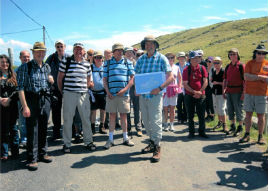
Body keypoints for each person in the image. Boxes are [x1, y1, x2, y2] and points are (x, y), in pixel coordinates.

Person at [135, 35, 173, 162]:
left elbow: (170, 77)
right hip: (143, 95)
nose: (148, 46)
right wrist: (137, 88)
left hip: (156, 96)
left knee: (155, 121)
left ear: (155, 45)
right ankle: (151, 142)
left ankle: (157, 146)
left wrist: (160, 88)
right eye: (146, 44)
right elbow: (137, 76)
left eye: (151, 43)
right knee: (145, 121)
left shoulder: (162, 59)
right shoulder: (141, 60)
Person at [16, 42, 54, 170]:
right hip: (31, 99)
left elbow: (48, 83)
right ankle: (32, 158)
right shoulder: (25, 67)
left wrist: (51, 81)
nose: (40, 54)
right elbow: (20, 88)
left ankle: (43, 153)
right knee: (32, 129)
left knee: (43, 127)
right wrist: (25, 106)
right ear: (33, 53)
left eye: (42, 51)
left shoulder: (47, 67)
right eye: (38, 51)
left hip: (45, 99)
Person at [57, 43, 96, 153]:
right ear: (73, 50)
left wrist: (84, 88)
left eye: (80, 49)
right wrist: (63, 92)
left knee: (86, 119)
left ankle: (88, 142)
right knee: (68, 120)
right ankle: (66, 144)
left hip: (83, 94)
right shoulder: (66, 61)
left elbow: (89, 79)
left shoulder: (87, 64)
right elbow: (59, 79)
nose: (78, 51)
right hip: (69, 93)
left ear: (83, 51)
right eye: (76, 49)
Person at [103, 43, 135, 149]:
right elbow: (105, 79)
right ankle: (110, 139)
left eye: (121, 50)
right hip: (111, 95)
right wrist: (107, 92)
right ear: (113, 52)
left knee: (123, 116)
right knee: (112, 116)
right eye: (118, 50)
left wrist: (125, 89)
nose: (120, 52)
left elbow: (132, 78)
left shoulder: (127, 62)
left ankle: (125, 138)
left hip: (124, 95)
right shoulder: (107, 63)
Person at [240, 44, 268, 145]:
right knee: (248, 115)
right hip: (249, 93)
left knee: (261, 116)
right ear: (255, 53)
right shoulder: (249, 63)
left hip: (262, 94)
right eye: (259, 53)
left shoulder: (267, 64)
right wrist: (261, 77)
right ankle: (247, 134)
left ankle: (260, 137)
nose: (261, 55)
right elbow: (246, 77)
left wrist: (255, 77)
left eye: (263, 53)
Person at [46, 40, 70, 140]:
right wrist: (49, 76)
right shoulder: (51, 58)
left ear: (65, 47)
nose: (59, 48)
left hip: (68, 88)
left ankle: (70, 131)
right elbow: (45, 69)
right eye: (58, 46)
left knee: (69, 110)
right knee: (56, 111)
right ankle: (56, 132)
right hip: (55, 88)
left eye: (61, 46)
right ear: (55, 47)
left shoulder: (69, 58)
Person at [183, 50, 209, 139]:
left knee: (201, 114)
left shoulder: (202, 68)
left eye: (197, 58)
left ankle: (202, 132)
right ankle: (191, 132)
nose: (195, 60)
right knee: (190, 115)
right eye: (193, 58)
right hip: (189, 95)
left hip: (201, 95)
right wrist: (195, 92)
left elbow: (206, 81)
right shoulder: (187, 69)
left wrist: (200, 92)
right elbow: (185, 84)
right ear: (190, 59)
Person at [0, 54, 19, 161]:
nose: (5, 64)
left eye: (6, 62)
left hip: (12, 106)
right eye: (2, 62)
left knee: (13, 129)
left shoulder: (14, 76)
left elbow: (18, 90)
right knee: (3, 129)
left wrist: (9, 99)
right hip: (1, 107)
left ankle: (15, 152)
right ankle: (4, 152)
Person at [223, 48, 245, 136]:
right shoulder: (228, 66)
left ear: (237, 55)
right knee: (230, 109)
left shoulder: (241, 66)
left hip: (238, 91)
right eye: (231, 54)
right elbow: (225, 79)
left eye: (234, 54)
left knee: (239, 109)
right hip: (229, 91)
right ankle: (233, 126)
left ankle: (240, 127)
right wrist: (224, 90)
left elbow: (245, 80)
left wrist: (244, 92)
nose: (232, 56)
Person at [125, 47, 143, 137]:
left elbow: (139, 76)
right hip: (126, 88)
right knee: (126, 109)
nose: (129, 54)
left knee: (137, 109)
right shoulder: (123, 63)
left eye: (130, 52)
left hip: (135, 87)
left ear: (133, 54)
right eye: (127, 52)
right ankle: (128, 129)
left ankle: (138, 128)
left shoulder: (137, 63)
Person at [163, 52, 182, 132]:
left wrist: (179, 87)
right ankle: (165, 124)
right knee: (165, 108)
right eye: (168, 58)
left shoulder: (176, 67)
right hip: (165, 89)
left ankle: (171, 125)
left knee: (172, 108)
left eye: (171, 58)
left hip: (174, 89)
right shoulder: (163, 67)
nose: (170, 59)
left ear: (174, 59)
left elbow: (180, 78)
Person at [90, 51, 107, 134]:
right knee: (93, 111)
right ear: (94, 59)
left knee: (103, 110)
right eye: (97, 57)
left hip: (103, 92)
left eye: (100, 57)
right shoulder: (91, 67)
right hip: (93, 93)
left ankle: (102, 126)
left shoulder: (105, 67)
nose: (99, 59)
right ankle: (92, 127)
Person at [211, 57, 229, 134]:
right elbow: (212, 80)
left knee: (222, 109)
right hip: (214, 92)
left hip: (221, 92)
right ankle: (220, 122)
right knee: (217, 108)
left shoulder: (223, 71)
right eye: (214, 63)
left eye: (217, 63)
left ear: (221, 63)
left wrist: (217, 83)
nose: (216, 64)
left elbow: (226, 83)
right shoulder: (214, 71)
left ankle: (225, 125)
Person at [17, 50, 30, 147]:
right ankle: (24, 139)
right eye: (24, 57)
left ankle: (32, 138)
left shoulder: (33, 68)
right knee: (22, 120)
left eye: (28, 57)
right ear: (20, 58)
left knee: (32, 119)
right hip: (21, 98)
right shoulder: (17, 70)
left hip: (32, 98)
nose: (26, 58)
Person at [175, 51, 189, 124]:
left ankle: (185, 118)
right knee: (179, 103)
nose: (182, 58)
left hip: (187, 87)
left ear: (185, 58)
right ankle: (180, 118)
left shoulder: (188, 65)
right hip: (178, 87)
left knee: (186, 103)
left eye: (183, 57)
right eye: (180, 57)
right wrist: (178, 85)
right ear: (178, 58)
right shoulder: (175, 66)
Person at [204, 56, 215, 122]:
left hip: (211, 88)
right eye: (207, 61)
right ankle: (208, 115)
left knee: (211, 103)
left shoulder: (213, 69)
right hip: (205, 87)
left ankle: (212, 116)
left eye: (209, 61)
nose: (208, 62)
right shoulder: (205, 69)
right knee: (206, 102)